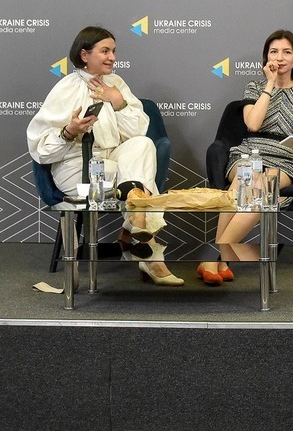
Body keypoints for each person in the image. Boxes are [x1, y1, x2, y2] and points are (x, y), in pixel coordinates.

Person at [27, 26, 183, 286]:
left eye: (114, 51)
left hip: (114, 161)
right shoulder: (65, 88)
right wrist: (69, 131)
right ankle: (146, 248)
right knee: (133, 185)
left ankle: (137, 221)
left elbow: (137, 131)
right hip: (76, 166)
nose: (112, 57)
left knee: (143, 144)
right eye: (105, 51)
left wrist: (118, 101)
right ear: (84, 54)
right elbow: (41, 150)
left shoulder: (117, 84)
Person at [198, 29, 293, 285]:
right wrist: (269, 84)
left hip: (285, 159)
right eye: (274, 52)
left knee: (261, 188)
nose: (280, 57)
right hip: (248, 152)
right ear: (266, 58)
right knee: (243, 181)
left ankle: (215, 257)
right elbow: (253, 124)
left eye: (287, 52)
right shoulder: (254, 87)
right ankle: (222, 259)